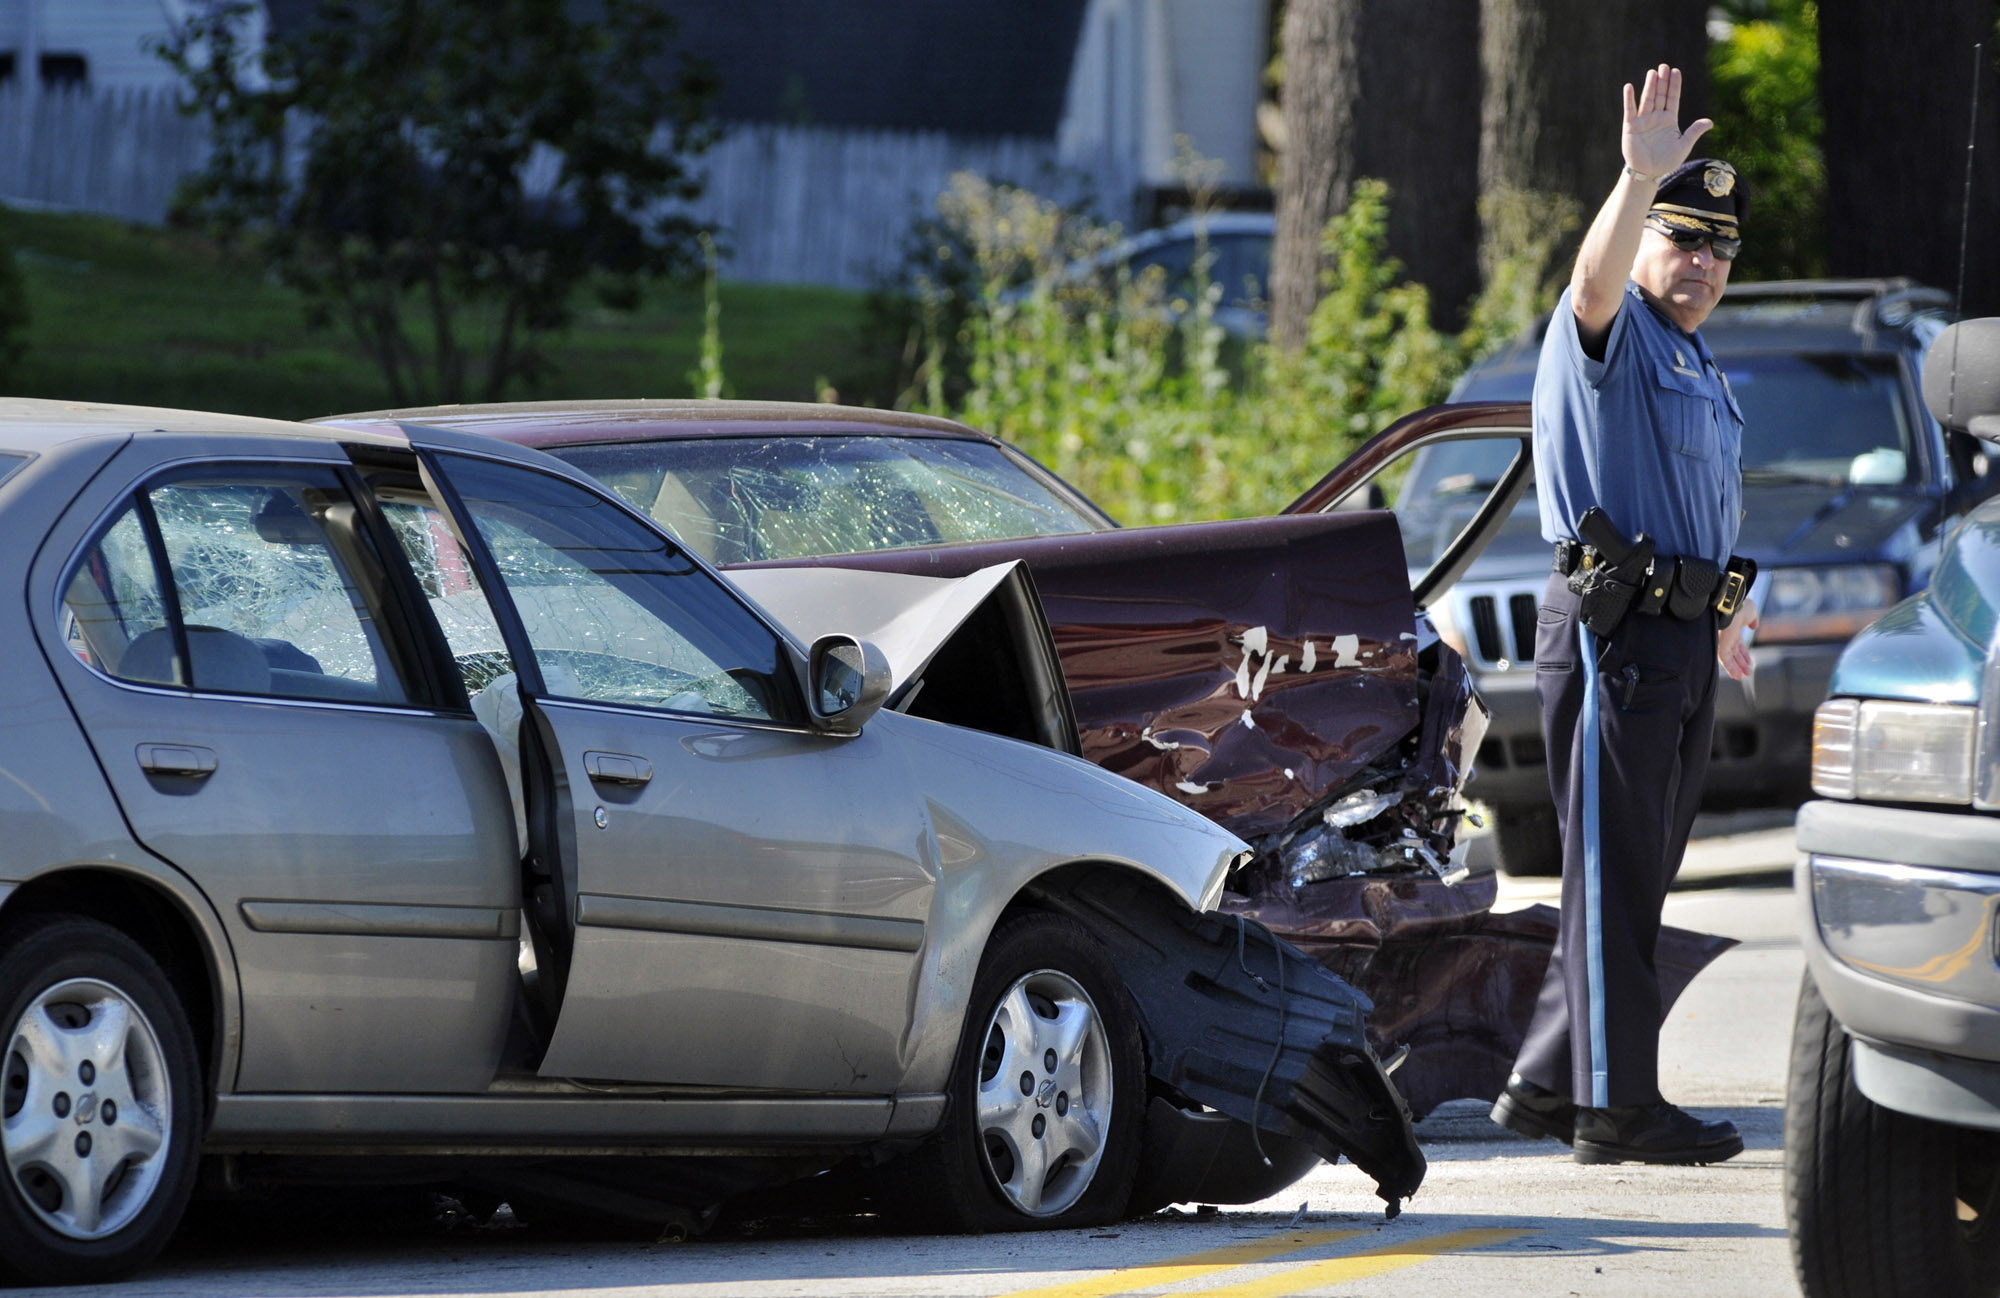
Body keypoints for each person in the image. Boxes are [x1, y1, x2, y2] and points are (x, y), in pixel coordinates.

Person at [1487, 64, 1758, 1165]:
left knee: (1635, 870)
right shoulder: (1614, 333)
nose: (1696, 260)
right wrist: (1631, 181)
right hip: (1614, 636)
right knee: (1610, 873)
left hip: (1679, 637)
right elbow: (1590, 287)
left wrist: (1726, 617)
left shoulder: (1693, 355)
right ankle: (1615, 1108)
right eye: (1678, 234)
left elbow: (1698, 500)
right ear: (1645, 236)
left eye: (1715, 246)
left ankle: (1545, 1082)